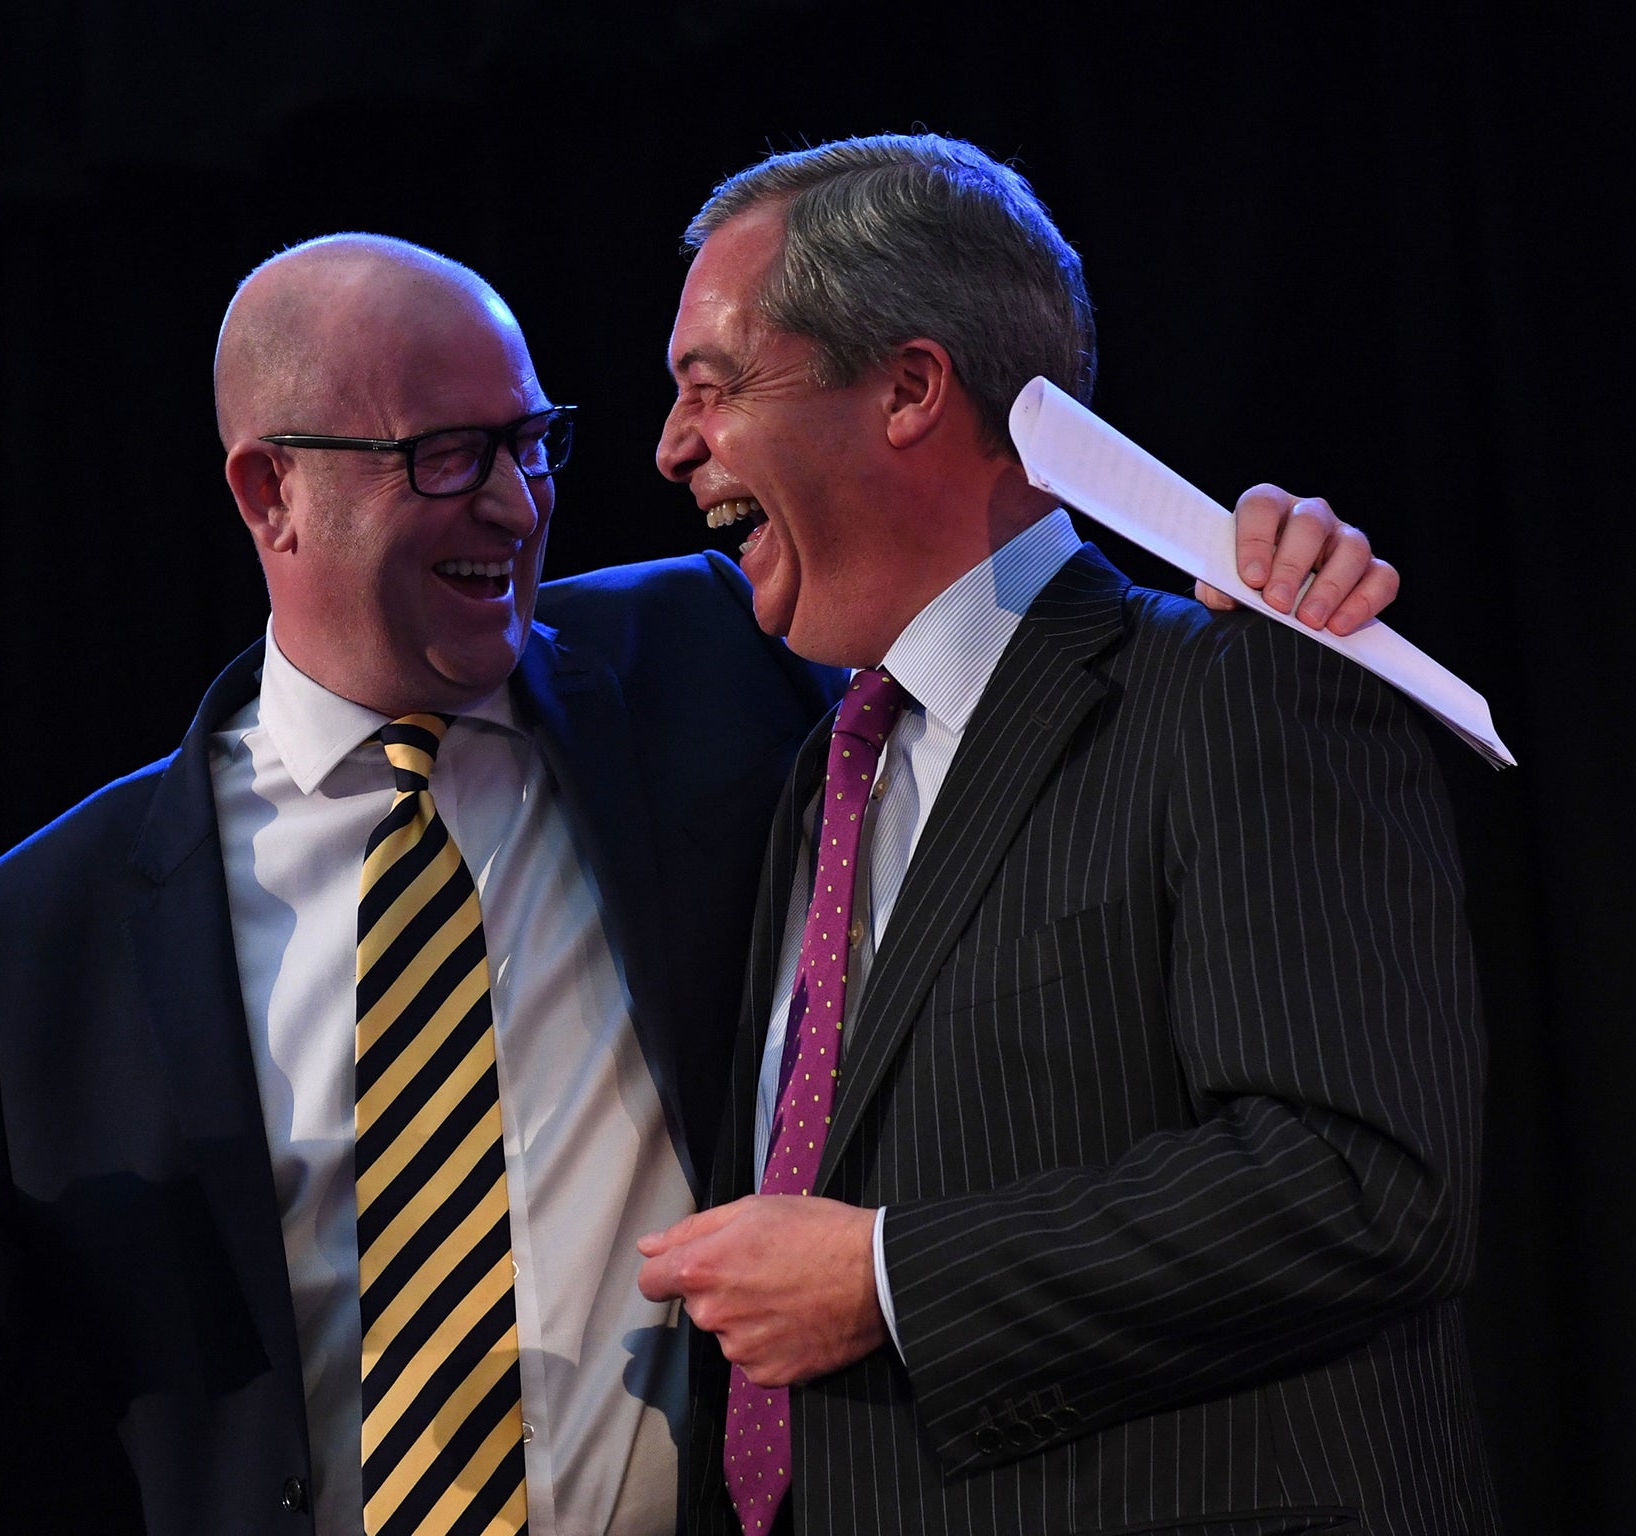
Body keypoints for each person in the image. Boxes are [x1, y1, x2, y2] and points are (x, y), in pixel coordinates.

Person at [0, 233, 1394, 1536]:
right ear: (270, 492)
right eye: (444, 456)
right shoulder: (45, 931)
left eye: (530, 440)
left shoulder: (720, 665)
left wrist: (1230, 561)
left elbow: (990, 601)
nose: (515, 501)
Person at [636, 134, 1496, 1535]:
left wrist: (891, 1278)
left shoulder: (1245, 683)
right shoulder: (822, 775)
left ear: (909, 387)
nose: (673, 446)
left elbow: (1365, 1183)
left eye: (715, 388)